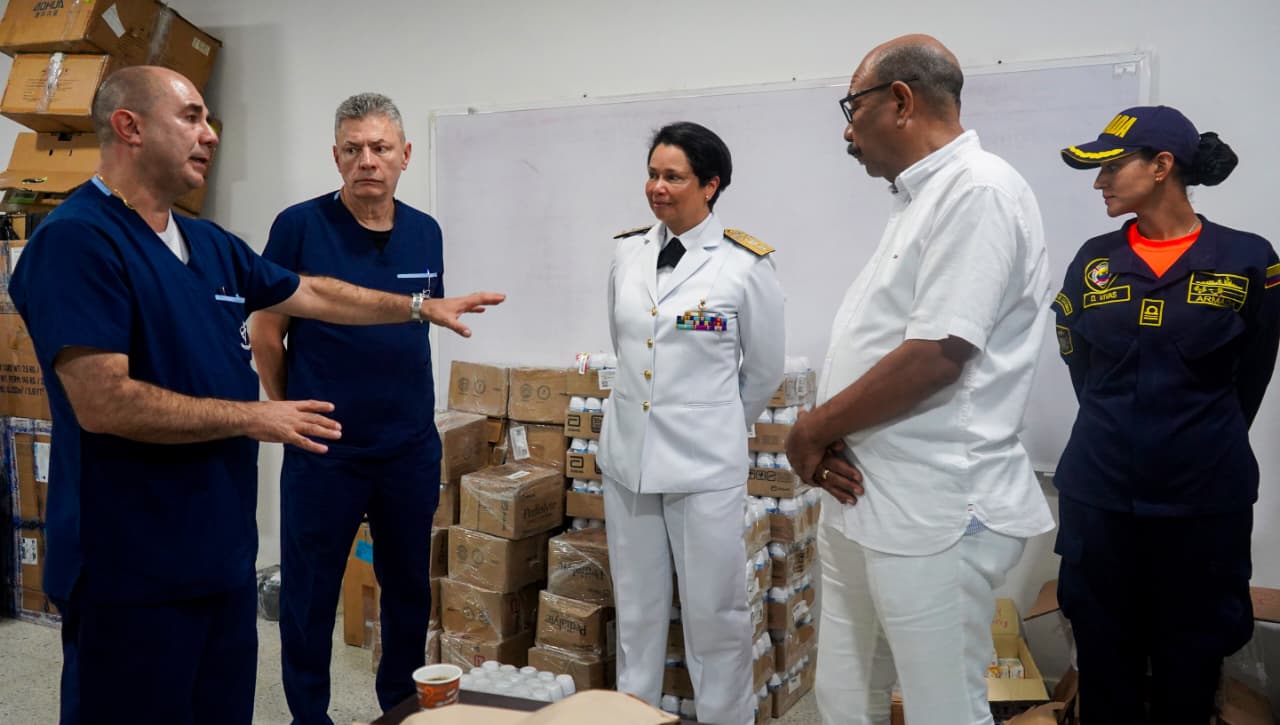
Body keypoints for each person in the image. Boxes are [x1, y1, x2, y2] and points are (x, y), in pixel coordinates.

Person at [7, 66, 503, 725]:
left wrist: (418, 306)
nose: (211, 134)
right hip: (132, 562)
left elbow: (313, 293)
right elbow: (103, 402)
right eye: (191, 117)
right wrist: (259, 413)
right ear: (129, 127)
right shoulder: (76, 240)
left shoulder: (209, 244)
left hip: (221, 552)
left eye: (208, 119)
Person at [784, 35, 1054, 725]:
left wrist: (813, 429)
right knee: (845, 691)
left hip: (934, 505)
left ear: (900, 101)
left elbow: (938, 353)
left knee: (942, 707)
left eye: (853, 108)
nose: (848, 131)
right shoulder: (919, 199)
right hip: (865, 492)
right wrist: (832, 437)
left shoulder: (979, 190)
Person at [1053, 106, 1279, 723]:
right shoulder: (1093, 261)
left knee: (1192, 661)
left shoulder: (1249, 259)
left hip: (1203, 501)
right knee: (1104, 660)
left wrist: (1196, 435)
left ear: (1161, 166)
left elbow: (1254, 372)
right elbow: (1081, 366)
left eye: (1111, 166)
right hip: (1101, 497)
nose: (1099, 182)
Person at [250, 92, 450, 722]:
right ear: (335, 157)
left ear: (405, 155)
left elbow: (420, 325)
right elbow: (265, 331)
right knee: (309, 595)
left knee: (409, 592)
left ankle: (400, 708)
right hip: (326, 451)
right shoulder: (299, 227)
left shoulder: (426, 232)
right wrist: (289, 410)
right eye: (353, 149)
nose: (368, 160)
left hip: (408, 449)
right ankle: (310, 716)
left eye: (380, 147)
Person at [597, 121, 784, 725]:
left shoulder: (744, 265)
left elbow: (763, 371)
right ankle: (635, 716)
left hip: (704, 469)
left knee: (715, 616)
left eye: (673, 177)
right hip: (628, 460)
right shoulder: (627, 252)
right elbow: (627, 348)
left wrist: (711, 424)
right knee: (637, 612)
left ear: (710, 185)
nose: (657, 187)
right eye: (652, 174)